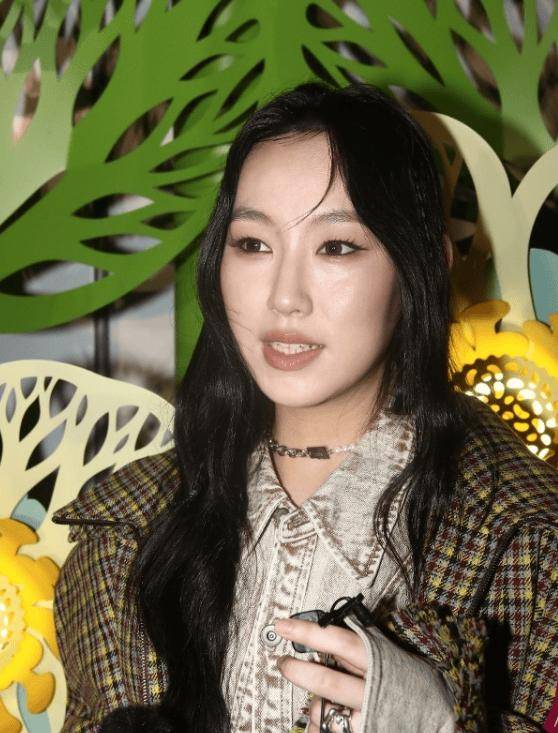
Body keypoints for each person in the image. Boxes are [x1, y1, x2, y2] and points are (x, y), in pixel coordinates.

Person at [51, 81, 558, 733]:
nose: (284, 297)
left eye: (336, 246)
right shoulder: (127, 528)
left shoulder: (527, 542)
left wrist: (440, 721)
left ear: (424, 267)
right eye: (253, 244)